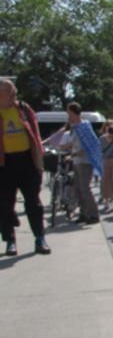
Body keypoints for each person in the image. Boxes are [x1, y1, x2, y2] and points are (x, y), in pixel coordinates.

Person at [0, 78, 51, 255]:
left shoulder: (22, 108)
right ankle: (10, 241)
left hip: (27, 161)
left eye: (13, 90)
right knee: (5, 205)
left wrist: (39, 158)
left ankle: (40, 238)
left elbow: (35, 133)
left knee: (33, 202)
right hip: (4, 163)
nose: (14, 92)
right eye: (9, 90)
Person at [62, 102, 102, 224]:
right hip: (76, 161)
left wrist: (74, 153)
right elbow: (72, 143)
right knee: (78, 189)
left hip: (85, 161)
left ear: (74, 112)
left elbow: (89, 144)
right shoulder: (73, 127)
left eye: (69, 112)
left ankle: (94, 214)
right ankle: (84, 214)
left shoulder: (84, 126)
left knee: (85, 188)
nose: (68, 115)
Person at [100, 122, 113, 212]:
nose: (111, 136)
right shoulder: (102, 139)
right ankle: (106, 201)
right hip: (105, 160)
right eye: (110, 134)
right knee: (105, 181)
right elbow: (100, 150)